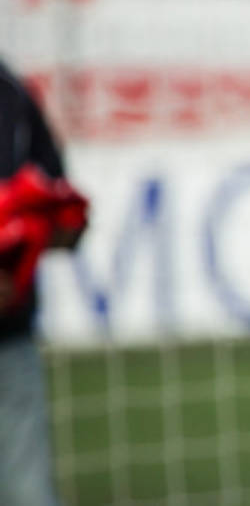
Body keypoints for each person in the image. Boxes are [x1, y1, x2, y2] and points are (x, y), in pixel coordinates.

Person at [1, 58, 88, 506]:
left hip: (10, 338)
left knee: (29, 493)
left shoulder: (12, 96)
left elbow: (63, 208)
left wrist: (30, 240)